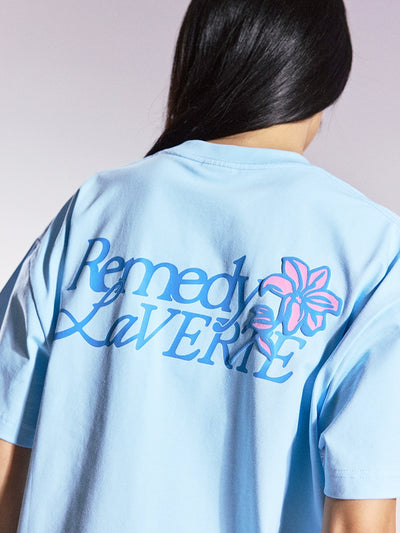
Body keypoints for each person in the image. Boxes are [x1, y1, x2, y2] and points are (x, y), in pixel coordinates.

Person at [0, 0, 399, 531]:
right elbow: (359, 515)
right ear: (328, 75)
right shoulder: (372, 248)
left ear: (197, 58)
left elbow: (6, 456)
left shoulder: (97, 207)